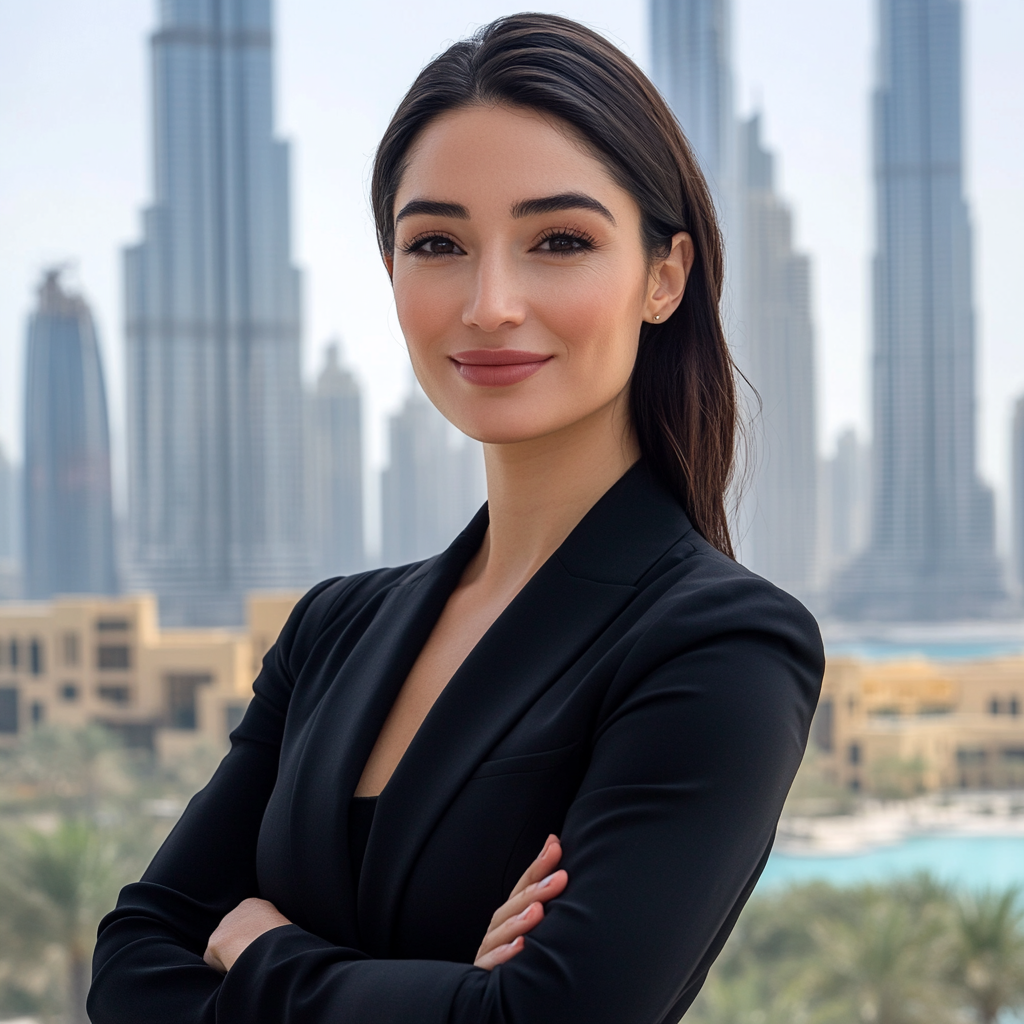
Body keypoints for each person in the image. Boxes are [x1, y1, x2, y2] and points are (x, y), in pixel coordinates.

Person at [88, 13, 823, 1023]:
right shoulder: (330, 630)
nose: (488, 303)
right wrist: (452, 994)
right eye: (436, 242)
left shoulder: (722, 644)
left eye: (558, 241)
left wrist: (261, 946)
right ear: (391, 271)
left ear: (664, 276)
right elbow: (130, 964)